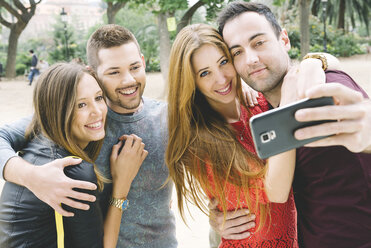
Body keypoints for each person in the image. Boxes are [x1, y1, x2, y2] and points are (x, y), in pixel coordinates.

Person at [0, 25, 177, 247]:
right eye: (114, 72)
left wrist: (218, 215)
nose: (128, 80)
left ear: (142, 61)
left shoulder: (168, 117)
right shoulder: (75, 120)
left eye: (134, 67)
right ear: (92, 71)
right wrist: (33, 177)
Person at [211, 2, 371, 247]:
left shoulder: (321, 89)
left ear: (283, 39)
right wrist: (218, 216)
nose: (251, 59)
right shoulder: (261, 110)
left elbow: (362, 131)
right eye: (237, 52)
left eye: (258, 43)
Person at [166, 23, 328, 247]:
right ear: (191, 82)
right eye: (205, 73)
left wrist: (314, 61)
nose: (222, 79)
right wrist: (286, 109)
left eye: (223, 62)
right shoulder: (199, 142)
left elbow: (317, 71)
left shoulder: (259, 102)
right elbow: (276, 192)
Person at [0, 62, 147, 247]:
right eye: (81, 105)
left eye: (99, 98)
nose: (97, 112)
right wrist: (122, 186)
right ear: (58, 111)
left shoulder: (38, 141)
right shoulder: (70, 172)